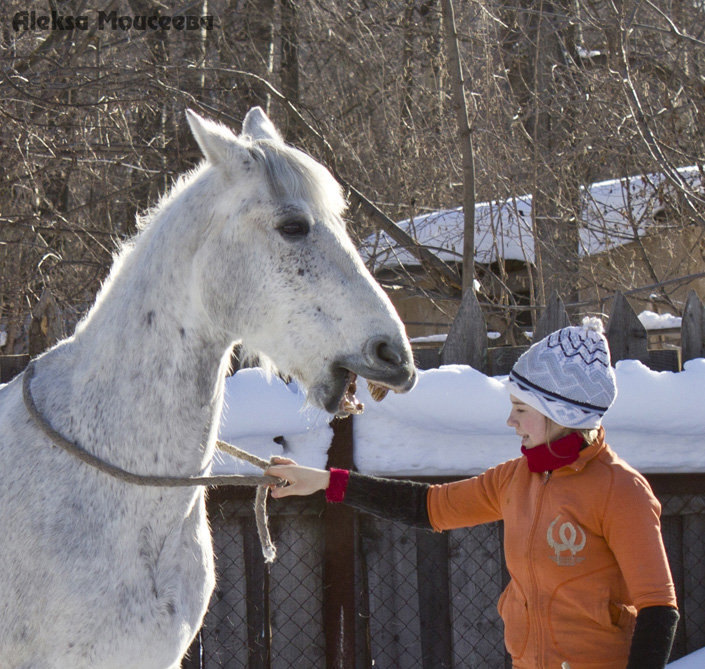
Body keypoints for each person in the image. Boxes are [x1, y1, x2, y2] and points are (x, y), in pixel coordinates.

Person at [266, 318, 679, 669]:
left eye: (521, 409)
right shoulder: (516, 479)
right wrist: (323, 481)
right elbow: (428, 507)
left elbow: (659, 607)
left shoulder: (620, 490)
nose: (510, 421)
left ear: (560, 415)